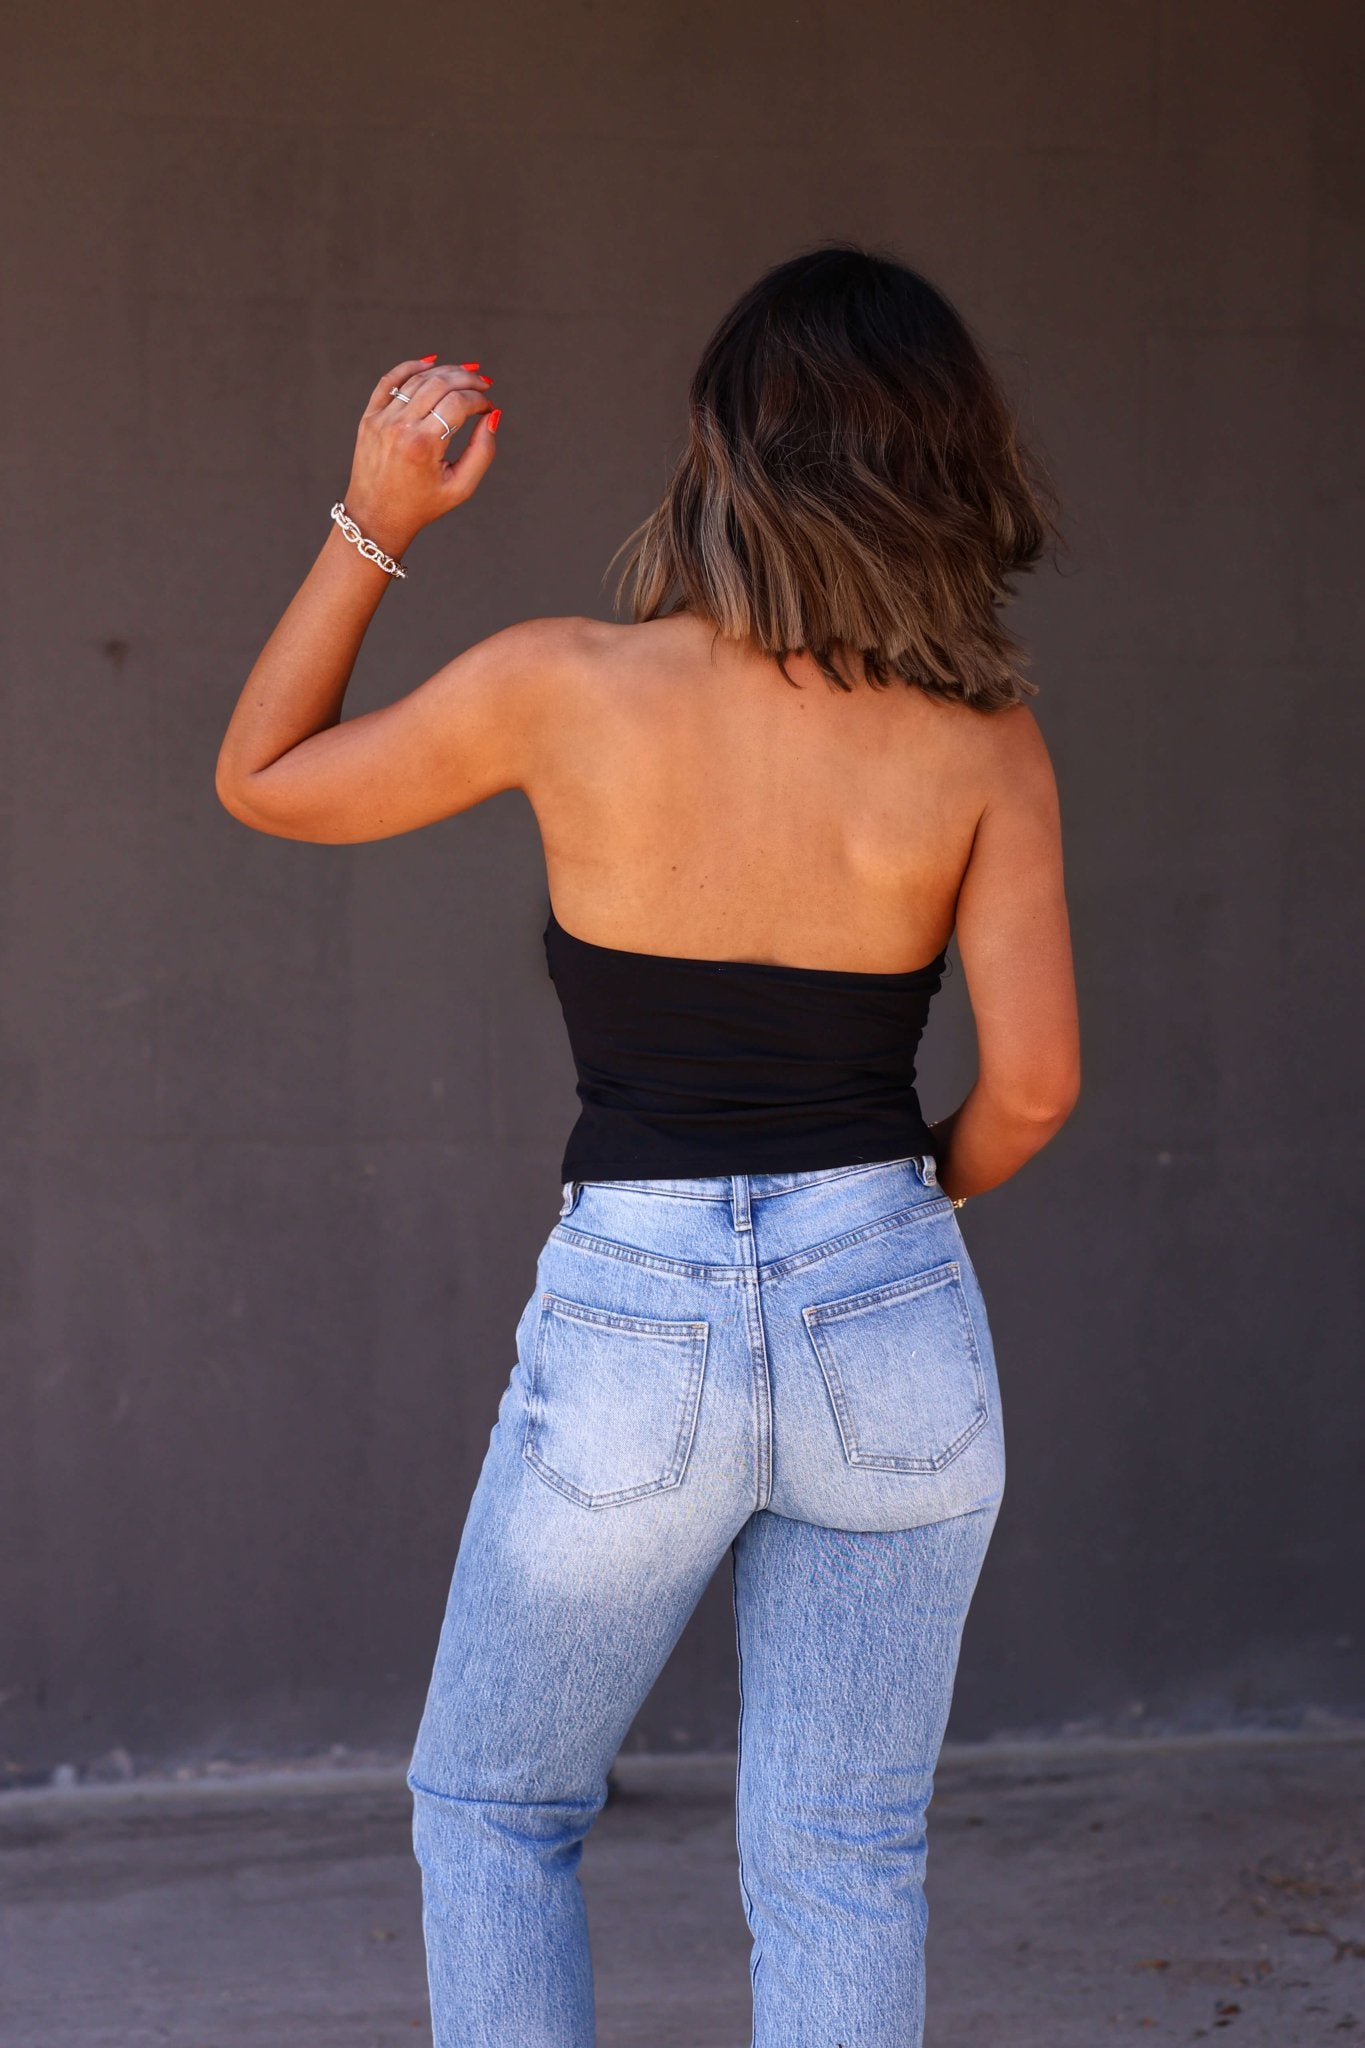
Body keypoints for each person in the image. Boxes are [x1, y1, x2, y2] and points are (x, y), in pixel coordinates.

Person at [215, 242, 1081, 2048]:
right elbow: (1035, 1090)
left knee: (495, 1810)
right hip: (894, 1300)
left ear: (725, 456)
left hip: (637, 1317)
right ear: (944, 468)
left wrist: (376, 521)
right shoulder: (986, 748)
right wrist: (894, 1202)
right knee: (842, 1859)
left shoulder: (565, 684)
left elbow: (264, 776)